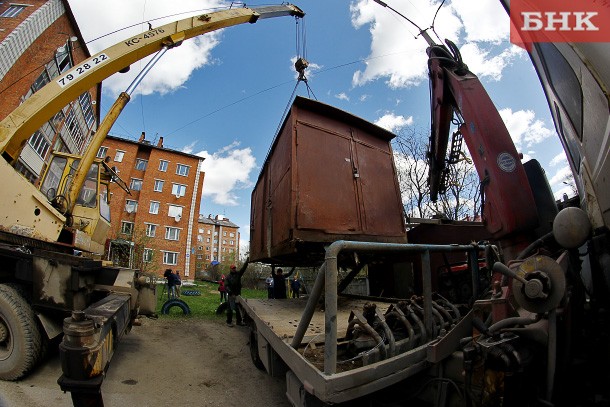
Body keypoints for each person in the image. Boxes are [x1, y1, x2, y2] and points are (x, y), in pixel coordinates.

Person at [226, 262, 248, 327]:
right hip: (231, 295)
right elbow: (226, 286)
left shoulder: (238, 274)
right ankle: (228, 322)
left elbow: (243, 269)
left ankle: (239, 321)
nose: (234, 269)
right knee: (230, 309)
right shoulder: (228, 277)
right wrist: (230, 292)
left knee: (239, 308)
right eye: (233, 268)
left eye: (235, 268)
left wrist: (246, 262)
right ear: (230, 269)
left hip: (238, 295)